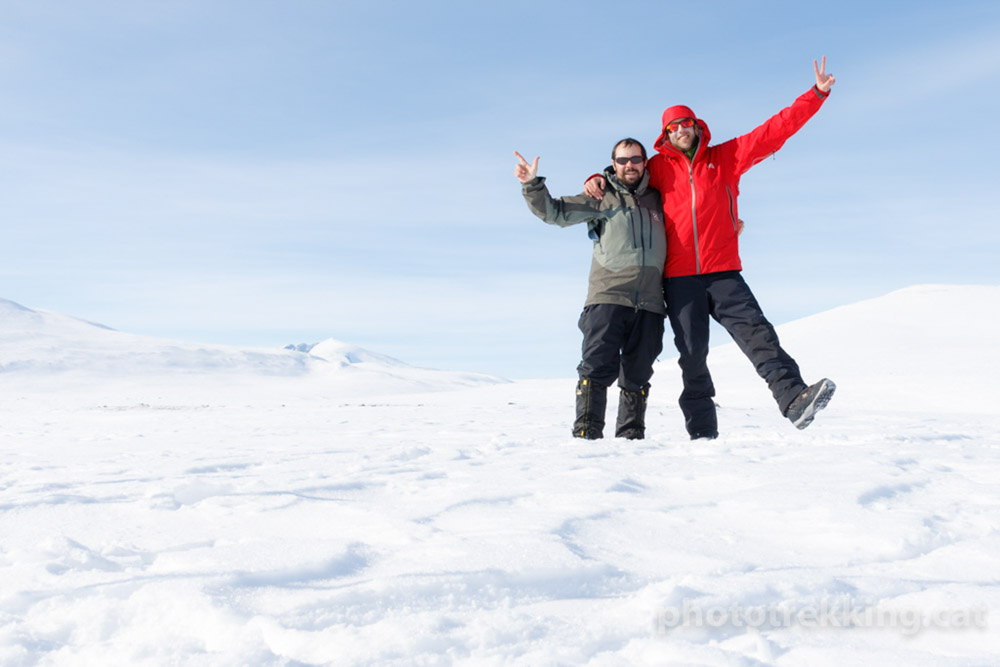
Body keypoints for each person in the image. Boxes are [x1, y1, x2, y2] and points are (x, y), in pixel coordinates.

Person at [585, 58, 838, 439]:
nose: (680, 130)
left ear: (697, 126)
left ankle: (793, 399)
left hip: (723, 272)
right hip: (679, 279)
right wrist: (596, 178)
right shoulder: (657, 168)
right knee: (693, 357)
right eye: (673, 127)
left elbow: (775, 131)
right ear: (665, 135)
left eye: (686, 123)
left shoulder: (726, 157)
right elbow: (625, 173)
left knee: (759, 334)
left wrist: (815, 95)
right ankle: (703, 434)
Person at [514, 139, 666, 439]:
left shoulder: (659, 199)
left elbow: (693, 217)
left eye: (635, 159)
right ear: (613, 164)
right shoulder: (601, 197)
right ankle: (587, 435)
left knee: (638, 374)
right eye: (622, 160)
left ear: (645, 162)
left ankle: (632, 441)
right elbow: (555, 212)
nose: (629, 165)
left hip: (650, 302)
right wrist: (532, 185)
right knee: (596, 368)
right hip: (607, 297)